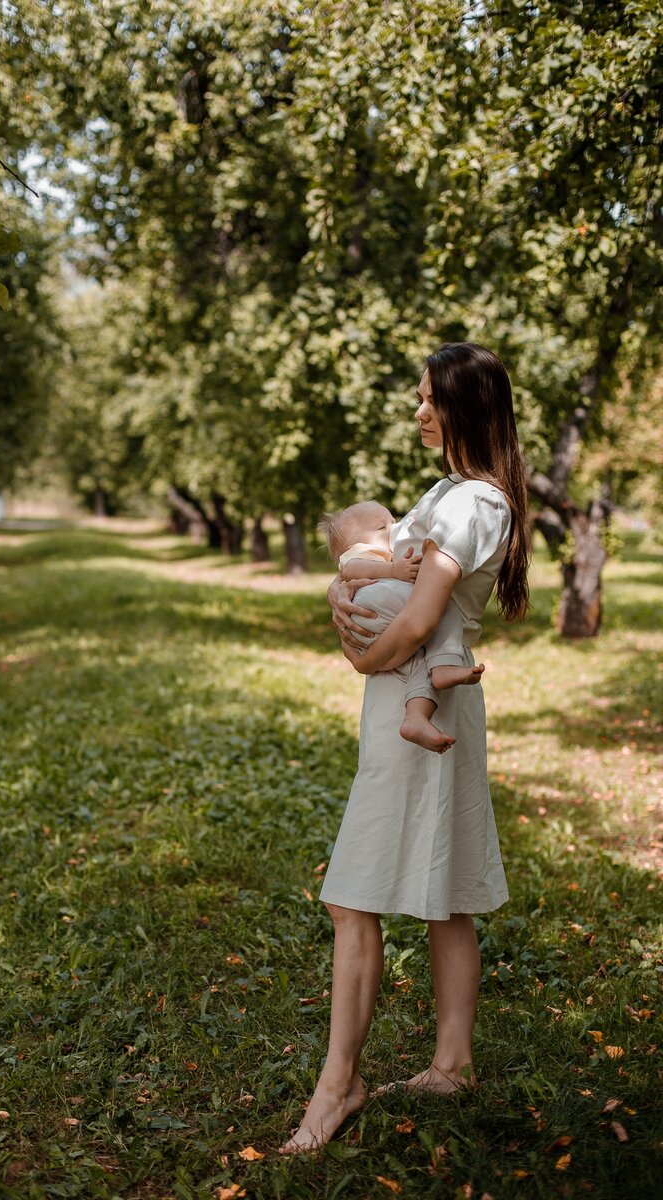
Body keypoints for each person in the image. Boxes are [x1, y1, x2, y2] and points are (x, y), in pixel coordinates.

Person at [278, 342, 531, 1156]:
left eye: (430, 399)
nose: (418, 410)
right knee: (446, 892)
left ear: (466, 406)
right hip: (425, 706)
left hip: (418, 709)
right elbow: (383, 561)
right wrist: (339, 585)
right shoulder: (451, 492)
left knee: (351, 897)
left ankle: (338, 1085)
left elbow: (419, 620)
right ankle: (451, 1063)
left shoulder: (474, 504)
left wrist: (358, 655)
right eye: (417, 396)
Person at [317, 500, 485, 753]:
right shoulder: (359, 555)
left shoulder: (380, 554)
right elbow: (352, 569)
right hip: (375, 601)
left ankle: (416, 717)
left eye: (394, 522)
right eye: (383, 526)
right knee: (443, 607)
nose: (394, 529)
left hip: (376, 614)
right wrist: (394, 569)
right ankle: (445, 663)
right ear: (355, 543)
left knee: (418, 657)